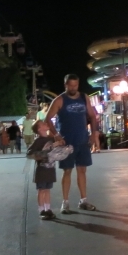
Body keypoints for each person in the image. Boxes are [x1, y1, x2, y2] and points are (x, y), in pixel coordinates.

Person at [45, 74, 101, 213]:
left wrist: (94, 133)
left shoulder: (84, 97)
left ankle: (83, 200)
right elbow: (48, 118)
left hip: (82, 140)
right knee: (67, 171)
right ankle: (65, 202)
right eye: (70, 85)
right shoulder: (59, 100)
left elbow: (92, 116)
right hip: (67, 142)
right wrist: (56, 135)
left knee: (82, 170)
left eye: (75, 85)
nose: (73, 88)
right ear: (65, 85)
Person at [26, 120, 67, 220]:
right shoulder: (38, 141)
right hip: (41, 170)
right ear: (39, 129)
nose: (46, 124)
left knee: (47, 190)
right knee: (41, 190)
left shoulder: (51, 138)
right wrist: (52, 147)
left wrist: (61, 144)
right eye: (43, 124)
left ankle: (48, 208)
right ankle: (41, 210)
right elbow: (30, 153)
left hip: (50, 169)